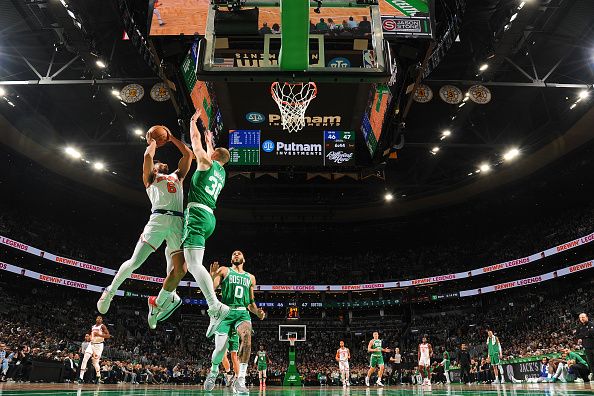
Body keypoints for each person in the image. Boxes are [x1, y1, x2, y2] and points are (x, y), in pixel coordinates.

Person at [148, 109, 231, 338]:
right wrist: (210, 140)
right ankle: (163, 300)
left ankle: (215, 307)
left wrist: (194, 123)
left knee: (193, 266)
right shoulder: (221, 172)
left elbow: (195, 145)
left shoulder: (206, 163)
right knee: (176, 259)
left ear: (212, 157)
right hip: (209, 218)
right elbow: (212, 153)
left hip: (196, 215)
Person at [96, 126, 192, 315]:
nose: (161, 163)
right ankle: (110, 291)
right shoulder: (150, 178)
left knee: (181, 269)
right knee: (135, 262)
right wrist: (153, 142)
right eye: (158, 164)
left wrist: (171, 138)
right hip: (157, 219)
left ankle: (161, 301)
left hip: (178, 222)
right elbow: (148, 158)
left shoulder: (177, 177)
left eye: (162, 163)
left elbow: (188, 155)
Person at [203, 251, 266, 393]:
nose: (236, 254)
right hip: (225, 312)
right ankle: (213, 372)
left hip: (242, 313)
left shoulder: (250, 277)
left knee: (247, 337)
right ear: (232, 258)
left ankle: (241, 380)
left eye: (239, 253)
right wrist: (212, 276)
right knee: (220, 350)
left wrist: (257, 312)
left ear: (244, 258)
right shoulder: (224, 270)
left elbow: (250, 302)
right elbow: (211, 289)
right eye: (234, 253)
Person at [78, 316, 110, 384]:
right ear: (96, 319)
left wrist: (98, 334)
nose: (99, 319)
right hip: (91, 344)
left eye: (100, 318)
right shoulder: (93, 326)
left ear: (102, 320)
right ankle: (81, 377)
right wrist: (90, 337)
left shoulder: (102, 326)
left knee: (95, 363)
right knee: (85, 359)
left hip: (99, 345)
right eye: (98, 318)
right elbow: (92, 335)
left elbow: (108, 335)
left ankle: (98, 376)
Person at [576, 313, 594, 380]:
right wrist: (586, 334)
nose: (582, 319)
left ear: (587, 317)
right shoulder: (579, 327)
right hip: (587, 347)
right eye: (580, 318)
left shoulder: (591, 324)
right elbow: (577, 336)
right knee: (591, 363)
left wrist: (583, 335)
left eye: (583, 317)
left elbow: (592, 333)